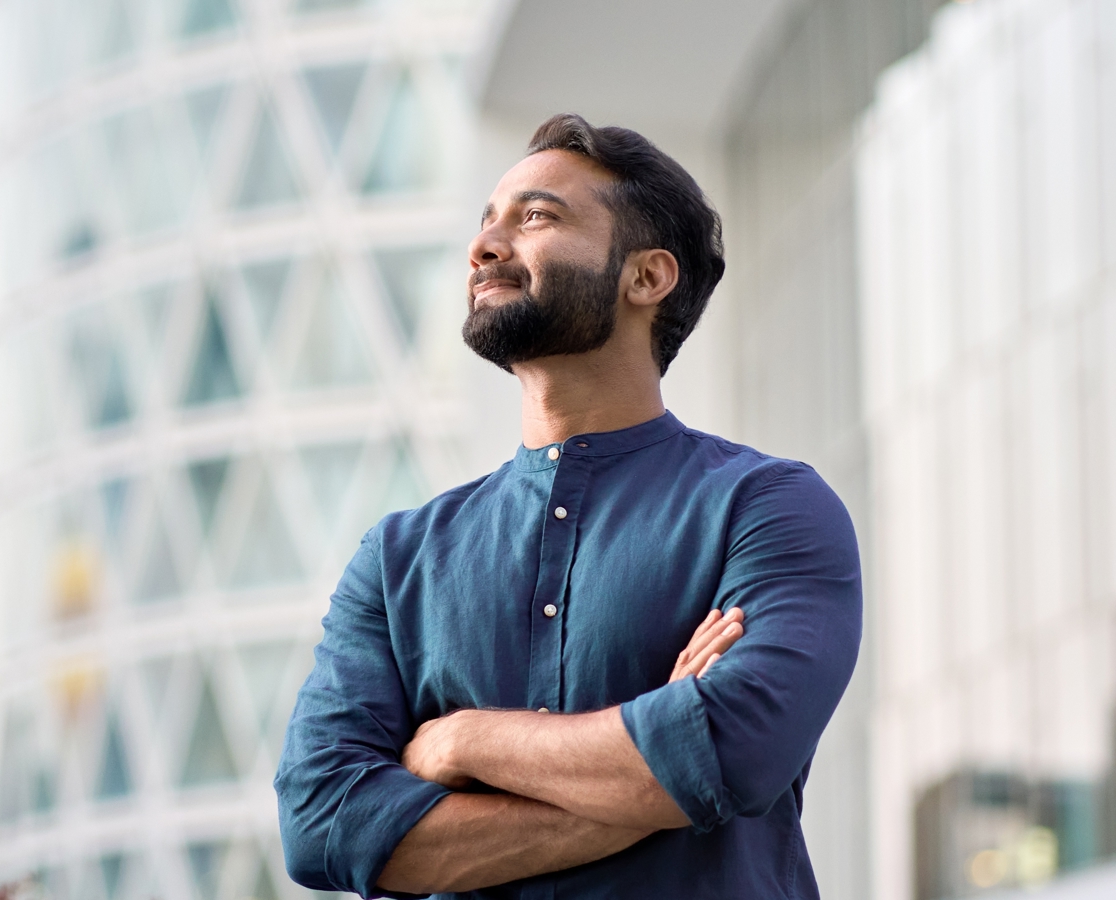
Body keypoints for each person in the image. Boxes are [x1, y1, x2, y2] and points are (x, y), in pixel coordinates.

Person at [273, 113, 862, 898]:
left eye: (537, 217)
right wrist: (656, 765)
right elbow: (322, 824)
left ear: (646, 278)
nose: (485, 246)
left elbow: (736, 745)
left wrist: (466, 741)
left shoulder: (768, 508)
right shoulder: (399, 558)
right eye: (487, 221)